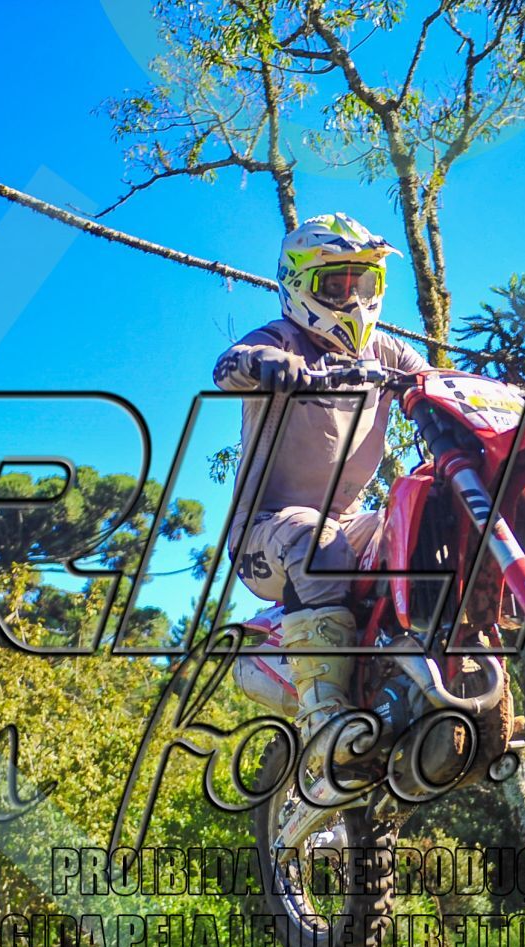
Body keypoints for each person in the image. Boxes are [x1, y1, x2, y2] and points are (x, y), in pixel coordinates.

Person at [212, 213, 429, 756]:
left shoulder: (387, 352)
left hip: (346, 524)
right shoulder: (281, 339)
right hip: (265, 534)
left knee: (427, 521)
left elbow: (435, 382)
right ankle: (325, 719)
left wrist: (513, 401)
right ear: (299, 284)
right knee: (317, 541)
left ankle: (414, 672)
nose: (352, 298)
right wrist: (266, 364)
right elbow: (230, 365)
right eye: (336, 284)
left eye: (363, 282)